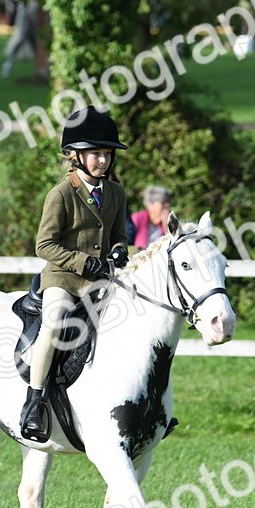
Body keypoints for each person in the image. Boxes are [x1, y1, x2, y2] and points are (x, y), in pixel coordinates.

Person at [20, 107, 129, 441]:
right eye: (96, 154)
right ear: (75, 155)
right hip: (63, 278)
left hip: (101, 280)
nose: (103, 161)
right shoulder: (60, 194)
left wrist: (119, 250)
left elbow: (119, 235)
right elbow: (44, 246)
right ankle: (34, 401)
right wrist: (84, 263)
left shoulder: (116, 192)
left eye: (107, 154)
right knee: (53, 323)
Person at [127, 185, 171, 250]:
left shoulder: (168, 221)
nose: (167, 205)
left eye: (168, 202)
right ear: (150, 204)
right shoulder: (136, 219)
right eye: (163, 202)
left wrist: (168, 229)